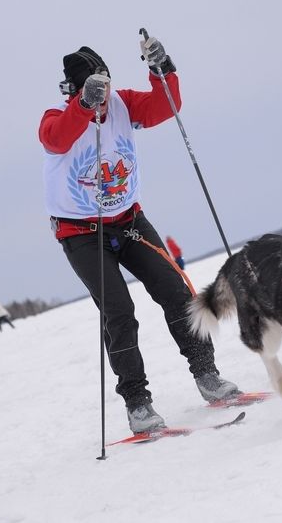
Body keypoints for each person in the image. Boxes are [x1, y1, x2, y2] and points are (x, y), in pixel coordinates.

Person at [38, 38, 239, 434]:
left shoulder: (123, 104)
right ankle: (138, 402)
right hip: (80, 232)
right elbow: (56, 139)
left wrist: (162, 69)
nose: (103, 97)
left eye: (105, 85)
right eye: (93, 90)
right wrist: (82, 107)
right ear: (76, 91)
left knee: (176, 291)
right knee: (119, 312)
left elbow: (167, 105)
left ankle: (208, 375)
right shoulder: (55, 118)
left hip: (129, 220)